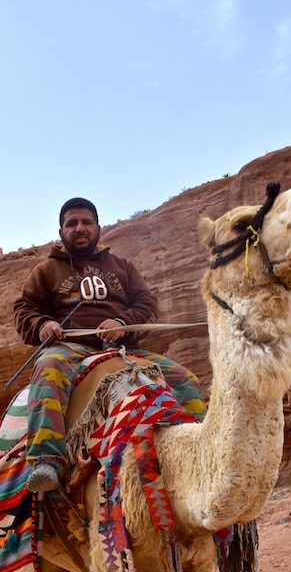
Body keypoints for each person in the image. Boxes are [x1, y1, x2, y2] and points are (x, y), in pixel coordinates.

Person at [14, 197, 206, 493]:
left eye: (86, 222)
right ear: (61, 231)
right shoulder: (46, 270)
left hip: (121, 350)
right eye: (72, 223)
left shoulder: (121, 267)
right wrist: (43, 326)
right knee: (49, 366)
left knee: (185, 379)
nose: (80, 228)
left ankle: (201, 449)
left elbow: (146, 304)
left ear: (98, 228)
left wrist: (121, 323)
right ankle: (46, 460)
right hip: (70, 349)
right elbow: (25, 309)